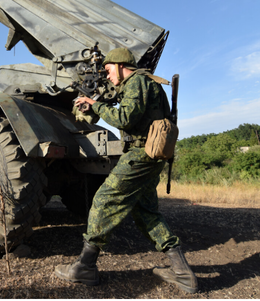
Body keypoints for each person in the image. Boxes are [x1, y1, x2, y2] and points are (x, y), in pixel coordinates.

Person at [54, 47, 198, 293]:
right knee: (146, 212)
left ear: (121, 66)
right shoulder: (144, 83)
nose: (108, 77)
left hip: (140, 155)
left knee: (103, 200)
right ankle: (182, 273)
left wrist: (95, 105)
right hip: (151, 155)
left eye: (109, 70)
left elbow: (125, 119)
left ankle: (85, 267)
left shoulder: (137, 81)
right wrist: (97, 104)